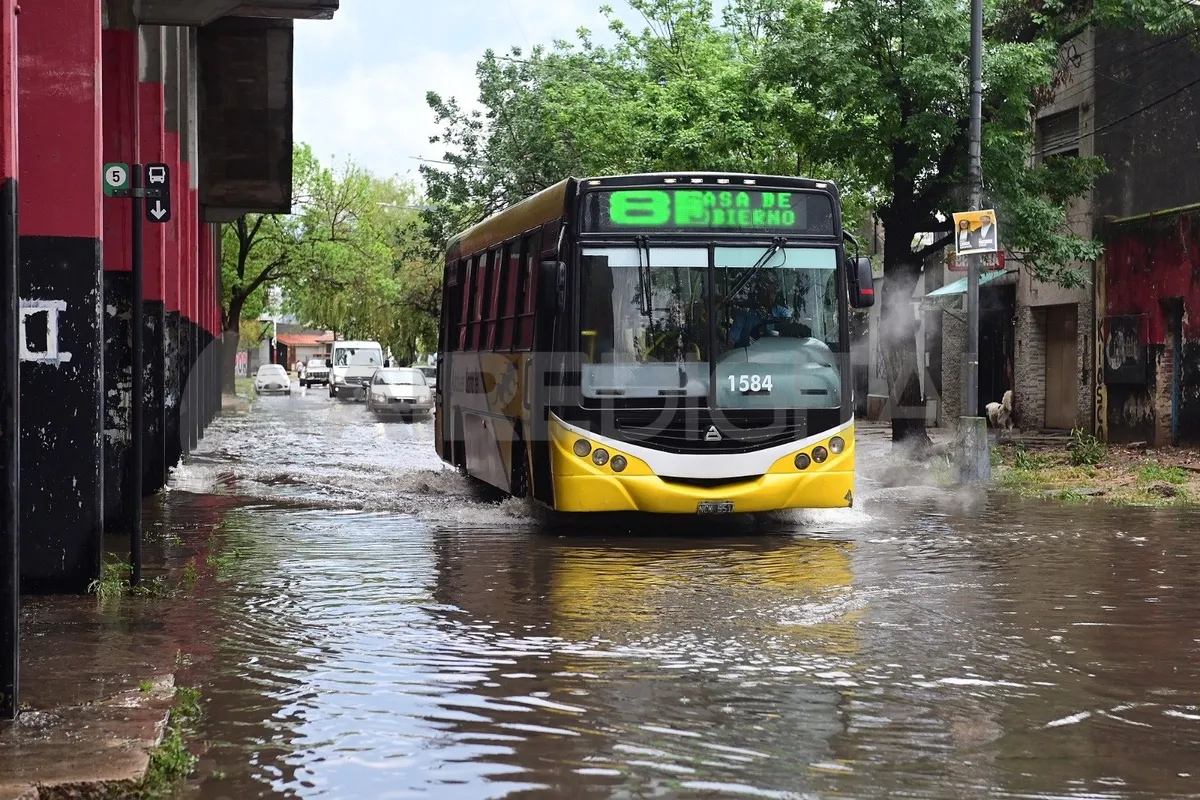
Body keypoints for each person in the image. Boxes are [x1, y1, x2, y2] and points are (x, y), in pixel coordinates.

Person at [726, 274, 792, 348]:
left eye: (773, 292)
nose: (770, 296)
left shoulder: (783, 312)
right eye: (766, 292)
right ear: (758, 292)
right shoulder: (745, 313)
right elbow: (732, 340)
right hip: (749, 356)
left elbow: (791, 324)